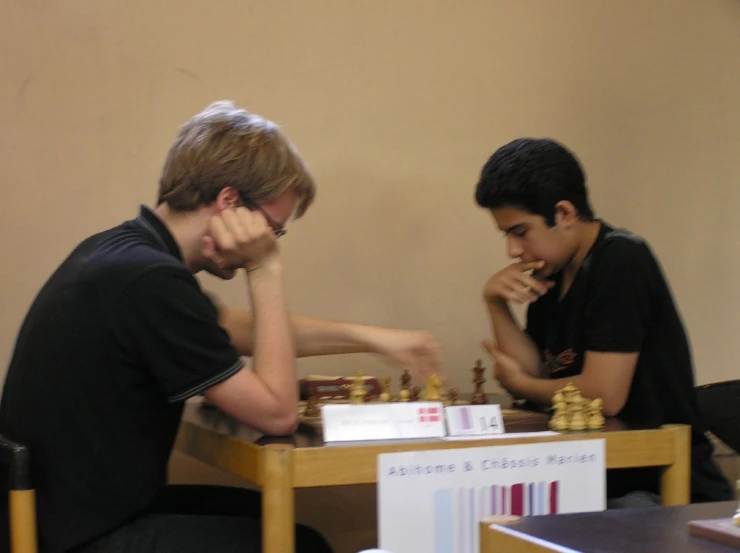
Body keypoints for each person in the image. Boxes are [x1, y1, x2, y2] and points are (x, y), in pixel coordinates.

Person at [0, 100, 443, 553]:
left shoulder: (126, 253)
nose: (272, 240)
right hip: (78, 538)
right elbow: (277, 412)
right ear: (230, 202)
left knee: (268, 520)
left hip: (59, 517)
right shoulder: (152, 281)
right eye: (273, 228)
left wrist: (372, 339)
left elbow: (233, 327)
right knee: (303, 546)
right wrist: (266, 268)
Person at [474, 137, 732, 508]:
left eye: (520, 232)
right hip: (593, 477)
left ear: (563, 213)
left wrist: (523, 385)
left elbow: (604, 395)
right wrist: (495, 301)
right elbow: (537, 371)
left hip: (661, 487)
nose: (513, 251)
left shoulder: (621, 259)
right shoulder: (554, 274)